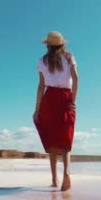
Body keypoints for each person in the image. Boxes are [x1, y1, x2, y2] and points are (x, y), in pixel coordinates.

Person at [33, 31, 79, 191]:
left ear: (47, 45)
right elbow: (77, 78)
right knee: (66, 140)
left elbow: (41, 86)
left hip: (49, 98)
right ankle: (66, 172)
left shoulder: (42, 61)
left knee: (52, 141)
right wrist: (73, 101)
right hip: (66, 97)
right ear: (62, 44)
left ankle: (54, 180)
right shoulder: (69, 57)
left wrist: (37, 110)